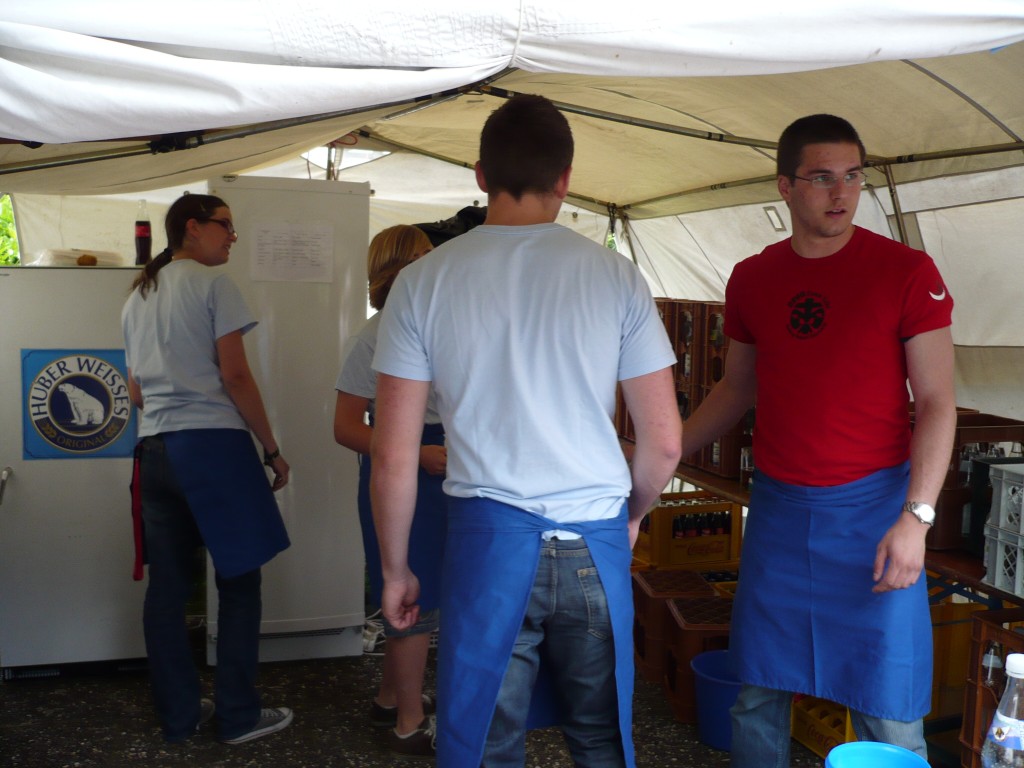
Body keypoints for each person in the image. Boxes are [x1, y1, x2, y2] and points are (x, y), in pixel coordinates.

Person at [369, 94, 683, 768]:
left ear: (481, 175)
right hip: (595, 539)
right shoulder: (617, 277)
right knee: (600, 737)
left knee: (484, 738)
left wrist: (396, 570)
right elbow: (664, 443)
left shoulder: (421, 283)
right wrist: (631, 516)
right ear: (565, 180)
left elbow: (393, 457)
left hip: (488, 542)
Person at [680, 114, 956, 765]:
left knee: (889, 712)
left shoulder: (904, 271)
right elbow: (735, 388)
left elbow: (937, 402)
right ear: (785, 186)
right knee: (757, 695)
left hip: (875, 515)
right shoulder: (753, 277)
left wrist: (916, 518)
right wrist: (659, 455)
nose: (841, 192)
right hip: (780, 513)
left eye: (853, 176)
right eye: (822, 178)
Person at [121, 193, 294, 745]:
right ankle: (238, 716)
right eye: (226, 226)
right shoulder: (214, 284)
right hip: (214, 447)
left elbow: (135, 392)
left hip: (154, 452)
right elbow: (236, 377)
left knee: (167, 590)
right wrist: (271, 448)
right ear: (192, 228)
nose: (233, 236)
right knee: (239, 584)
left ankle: (178, 717)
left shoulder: (138, 296)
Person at [333, 224, 445, 759]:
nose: (435, 265)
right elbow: (344, 427)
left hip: (438, 471)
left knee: (420, 590)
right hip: (403, 470)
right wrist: (418, 453)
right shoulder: (372, 335)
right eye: (424, 257)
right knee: (411, 597)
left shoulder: (433, 322)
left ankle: (388, 698)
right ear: (397, 269)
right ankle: (409, 723)